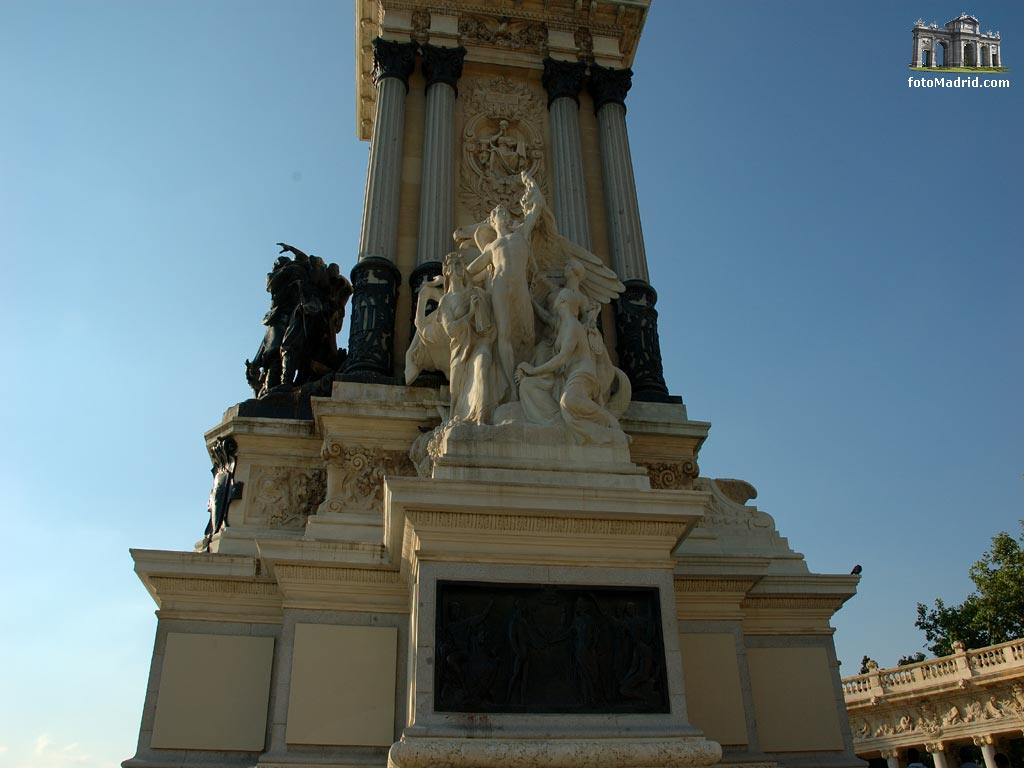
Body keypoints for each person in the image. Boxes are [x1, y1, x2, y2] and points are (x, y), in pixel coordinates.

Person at [466, 171, 544, 398]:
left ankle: (527, 379)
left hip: (520, 287)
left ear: (509, 219)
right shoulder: (491, 247)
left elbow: (537, 206)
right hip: (499, 287)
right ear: (492, 222)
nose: (499, 213)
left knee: (529, 335)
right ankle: (512, 387)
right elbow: (471, 270)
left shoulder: (522, 234)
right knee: (505, 334)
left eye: (502, 212)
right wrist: (451, 277)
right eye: (496, 213)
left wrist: (530, 183)